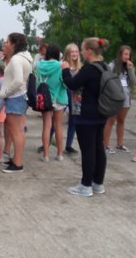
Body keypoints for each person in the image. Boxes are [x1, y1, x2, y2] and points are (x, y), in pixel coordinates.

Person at [61, 37, 110, 197]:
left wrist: (65, 70)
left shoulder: (89, 69)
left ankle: (86, 185)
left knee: (88, 151)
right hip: (101, 113)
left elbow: (72, 84)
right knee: (98, 149)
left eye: (82, 49)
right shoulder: (104, 67)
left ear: (89, 51)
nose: (81, 52)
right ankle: (98, 183)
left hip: (86, 115)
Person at [0, 33, 33, 173]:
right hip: (21, 97)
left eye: (7, 41)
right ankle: (16, 159)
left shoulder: (16, 59)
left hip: (15, 97)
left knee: (16, 131)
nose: (5, 43)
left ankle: (17, 163)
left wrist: (4, 93)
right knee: (19, 131)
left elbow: (18, 80)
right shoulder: (25, 57)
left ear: (13, 44)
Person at [35, 43, 68, 162]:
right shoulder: (60, 65)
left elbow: (37, 82)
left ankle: (46, 155)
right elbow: (65, 83)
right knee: (58, 126)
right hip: (59, 98)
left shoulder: (39, 65)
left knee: (46, 126)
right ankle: (60, 154)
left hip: (44, 99)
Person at [104, 45, 136, 154]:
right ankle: (105, 145)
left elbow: (133, 82)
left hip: (126, 97)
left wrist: (131, 69)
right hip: (114, 98)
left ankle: (120, 144)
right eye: (125, 54)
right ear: (120, 54)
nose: (127, 57)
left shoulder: (129, 66)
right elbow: (106, 78)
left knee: (121, 121)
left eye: (129, 55)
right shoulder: (113, 65)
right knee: (110, 120)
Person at [63, 42, 81, 154]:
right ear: (67, 53)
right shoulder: (64, 64)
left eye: (76, 51)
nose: (74, 54)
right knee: (56, 118)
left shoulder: (80, 66)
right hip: (63, 92)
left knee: (73, 121)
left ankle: (68, 145)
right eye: (72, 52)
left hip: (75, 95)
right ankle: (47, 142)